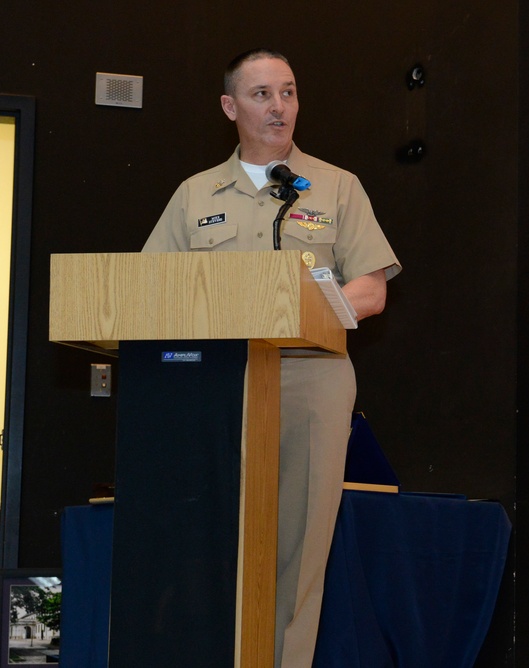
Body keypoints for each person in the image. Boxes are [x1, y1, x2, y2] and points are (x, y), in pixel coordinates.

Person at [142, 48, 401, 667]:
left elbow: (372, 288)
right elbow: (149, 288)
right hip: (216, 382)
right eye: (262, 94)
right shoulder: (194, 193)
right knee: (211, 544)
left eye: (288, 92)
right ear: (231, 107)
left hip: (312, 380)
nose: (278, 106)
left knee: (300, 548)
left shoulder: (337, 186)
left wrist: (314, 307)